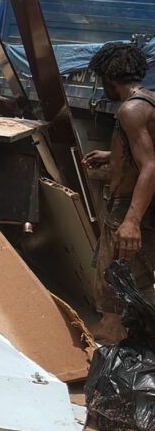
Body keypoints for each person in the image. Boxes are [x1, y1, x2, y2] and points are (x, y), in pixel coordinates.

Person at [83, 43, 155, 341]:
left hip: (129, 205)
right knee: (138, 271)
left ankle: (113, 334)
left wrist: (131, 221)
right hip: (145, 203)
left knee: (112, 273)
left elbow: (150, 166)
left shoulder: (130, 109)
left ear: (109, 78)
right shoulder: (149, 101)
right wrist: (112, 155)